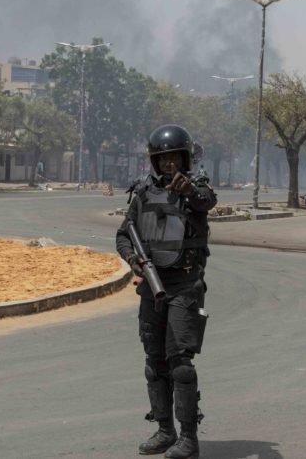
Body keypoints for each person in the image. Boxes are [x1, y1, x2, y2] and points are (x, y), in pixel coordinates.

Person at [116, 124, 217, 459]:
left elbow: (206, 202)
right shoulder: (143, 192)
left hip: (184, 285)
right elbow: (123, 235)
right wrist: (134, 260)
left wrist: (188, 190)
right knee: (154, 362)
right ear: (154, 162)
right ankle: (164, 430)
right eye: (163, 159)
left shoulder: (197, 190)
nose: (169, 164)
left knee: (181, 364)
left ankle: (188, 437)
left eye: (175, 158)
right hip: (152, 284)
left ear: (185, 159)